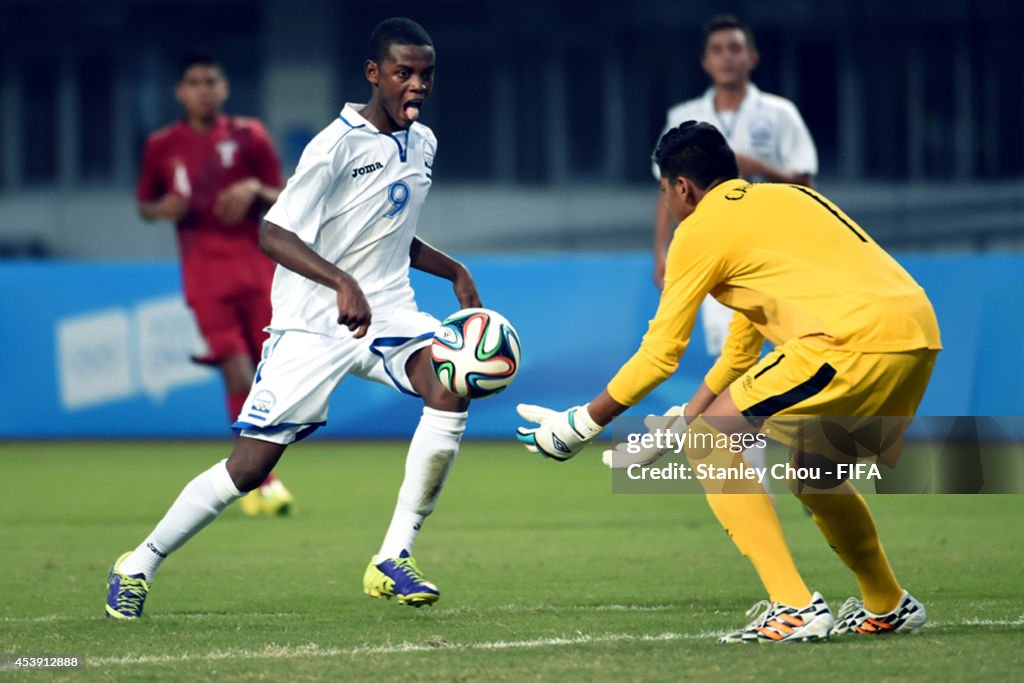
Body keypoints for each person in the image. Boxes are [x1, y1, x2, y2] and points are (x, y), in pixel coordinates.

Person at [107, 17, 480, 620]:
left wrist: (453, 270)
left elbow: (390, 233)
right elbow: (272, 232)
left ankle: (393, 558)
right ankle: (139, 563)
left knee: (450, 388)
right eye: (403, 73)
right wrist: (339, 281)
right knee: (249, 470)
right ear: (373, 74)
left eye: (425, 75)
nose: (416, 85)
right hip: (313, 322)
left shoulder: (424, 143)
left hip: (389, 312)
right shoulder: (334, 145)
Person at [517, 121, 941, 643]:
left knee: (712, 444)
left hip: (847, 340)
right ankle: (887, 603)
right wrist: (683, 421)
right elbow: (744, 345)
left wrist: (581, 423)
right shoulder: (785, 201)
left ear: (681, 188)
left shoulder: (697, 232)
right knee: (814, 474)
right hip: (916, 336)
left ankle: (794, 607)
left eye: (664, 191)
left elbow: (660, 354)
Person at [650, 15, 819, 483]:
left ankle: (805, 470)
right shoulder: (684, 117)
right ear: (705, 61)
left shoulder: (779, 114)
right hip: (719, 262)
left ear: (752, 57)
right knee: (737, 367)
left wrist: (756, 164)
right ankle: (756, 480)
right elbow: (667, 188)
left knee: (789, 363)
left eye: (735, 48)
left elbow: (805, 183)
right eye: (718, 49)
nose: (727, 56)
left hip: (778, 260)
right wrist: (661, 252)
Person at [136, 53, 294, 517]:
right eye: (194, 82)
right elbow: (144, 203)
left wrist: (255, 191)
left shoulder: (250, 136)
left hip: (257, 270)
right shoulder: (163, 145)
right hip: (204, 275)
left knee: (270, 378)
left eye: (211, 80)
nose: (203, 89)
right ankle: (263, 481)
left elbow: (286, 192)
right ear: (180, 92)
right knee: (237, 373)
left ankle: (254, 475)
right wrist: (161, 207)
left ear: (224, 88)